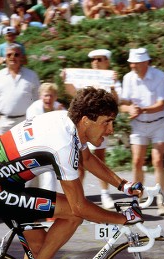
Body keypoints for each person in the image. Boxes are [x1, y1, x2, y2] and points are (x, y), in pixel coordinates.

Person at [0, 86, 143, 259]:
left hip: (0, 181)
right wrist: (122, 218)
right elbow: (79, 207)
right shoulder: (63, 145)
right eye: (106, 122)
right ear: (86, 120)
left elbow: (87, 158)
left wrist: (123, 185)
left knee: (42, 247)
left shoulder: (66, 120)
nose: (111, 130)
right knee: (72, 215)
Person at [63, 48, 122, 209]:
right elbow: (72, 93)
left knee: (99, 159)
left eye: (99, 59)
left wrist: (114, 86)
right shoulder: (85, 78)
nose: (95, 62)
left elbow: (116, 102)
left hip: (99, 126)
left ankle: (105, 194)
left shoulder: (111, 79)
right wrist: (66, 80)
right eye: (93, 59)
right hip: (84, 126)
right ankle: (77, 197)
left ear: (107, 61)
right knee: (80, 163)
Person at [120, 47, 164, 216]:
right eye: (131, 63)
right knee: (137, 161)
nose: (132, 65)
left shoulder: (160, 76)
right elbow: (123, 104)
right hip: (139, 124)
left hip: (159, 123)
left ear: (145, 62)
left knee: (157, 161)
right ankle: (138, 199)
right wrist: (129, 109)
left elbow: (161, 105)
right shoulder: (128, 78)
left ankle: (161, 201)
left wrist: (142, 109)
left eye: (135, 63)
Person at [0, 43, 40, 135]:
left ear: (21, 57)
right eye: (9, 55)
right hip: (3, 124)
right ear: (4, 58)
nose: (12, 57)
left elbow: (37, 100)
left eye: (16, 55)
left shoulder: (31, 76)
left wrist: (33, 119)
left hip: (26, 122)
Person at [25, 82, 65, 192]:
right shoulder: (33, 109)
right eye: (46, 95)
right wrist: (56, 117)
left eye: (51, 95)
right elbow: (39, 130)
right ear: (40, 96)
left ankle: (48, 204)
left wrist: (60, 115)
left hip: (49, 151)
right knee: (29, 182)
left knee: (49, 178)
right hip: (31, 149)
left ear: (56, 97)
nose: (48, 98)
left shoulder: (60, 108)